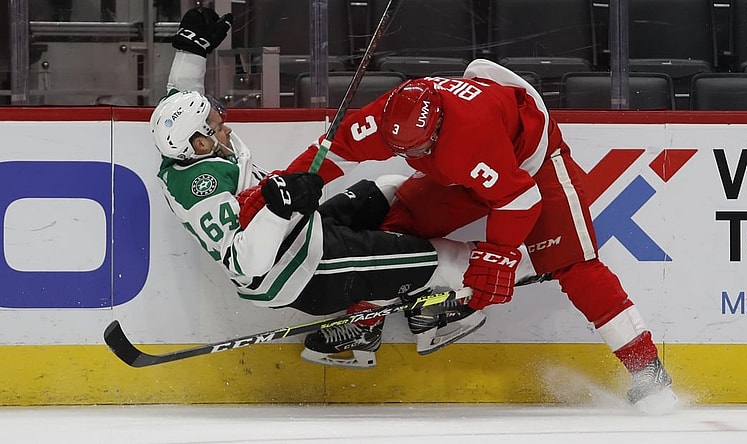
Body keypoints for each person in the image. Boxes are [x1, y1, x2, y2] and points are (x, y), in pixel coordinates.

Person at [285, 59, 678, 413]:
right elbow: (331, 152)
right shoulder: (388, 116)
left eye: (421, 147)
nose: (413, 156)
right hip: (468, 168)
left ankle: (648, 371)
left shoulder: (469, 134)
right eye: (404, 150)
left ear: (437, 125)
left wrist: (499, 256)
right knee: (399, 224)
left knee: (574, 265)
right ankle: (366, 323)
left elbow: (519, 198)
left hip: (532, 165)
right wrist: (274, 191)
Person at [149, 7, 513, 369]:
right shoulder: (203, 187)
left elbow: (179, 100)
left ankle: (365, 324)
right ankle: (446, 314)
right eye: (217, 124)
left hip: (306, 235)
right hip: (304, 273)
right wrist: (279, 210)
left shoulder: (182, 146)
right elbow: (247, 264)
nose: (226, 126)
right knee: (446, 259)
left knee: (387, 191)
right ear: (200, 143)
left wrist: (191, 50)